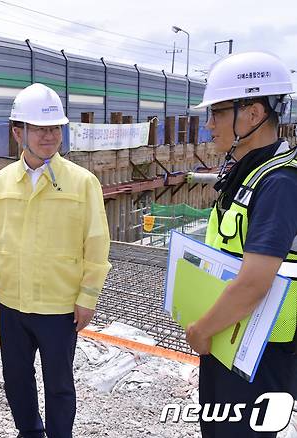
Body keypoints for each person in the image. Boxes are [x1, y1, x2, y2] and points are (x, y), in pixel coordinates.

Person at [0, 83, 111, 438]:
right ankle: (30, 432)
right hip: (13, 304)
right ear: (18, 132)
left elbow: (96, 246)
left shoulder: (83, 183)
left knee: (60, 384)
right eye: (39, 128)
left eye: (54, 128)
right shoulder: (1, 182)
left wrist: (87, 298)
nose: (49, 136)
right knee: (16, 378)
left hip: (59, 306)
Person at [187, 52, 297, 438]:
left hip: (259, 352)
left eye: (217, 112)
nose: (209, 125)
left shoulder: (279, 183)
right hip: (231, 338)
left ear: (252, 114)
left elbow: (254, 282)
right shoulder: (247, 171)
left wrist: (202, 328)